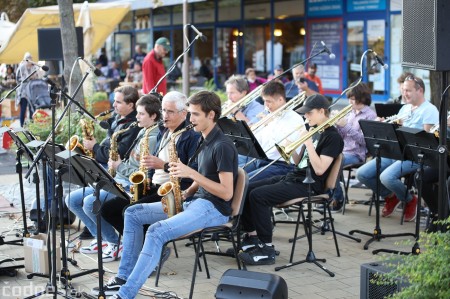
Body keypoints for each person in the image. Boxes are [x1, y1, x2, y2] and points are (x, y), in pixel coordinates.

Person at [95, 91, 238, 298]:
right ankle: (123, 276)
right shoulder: (204, 139)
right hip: (196, 201)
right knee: (132, 213)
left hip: (214, 208)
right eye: (190, 114)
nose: (191, 119)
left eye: (196, 114)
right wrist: (188, 191)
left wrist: (191, 173)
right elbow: (206, 176)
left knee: (156, 231)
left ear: (212, 115)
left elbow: (226, 193)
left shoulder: (222, 146)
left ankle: (125, 294)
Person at [238, 94, 344, 265]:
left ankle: (267, 248)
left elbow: (320, 169)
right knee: (247, 187)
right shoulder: (313, 130)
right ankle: (252, 238)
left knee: (259, 195)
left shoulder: (332, 137)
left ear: (322, 111)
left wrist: (308, 143)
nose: (305, 117)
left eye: (309, 113)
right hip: (296, 175)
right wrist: (291, 149)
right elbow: (299, 162)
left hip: (311, 184)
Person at [65, 94, 160, 262]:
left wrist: (119, 166)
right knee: (71, 199)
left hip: (129, 184)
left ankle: (114, 243)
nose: (137, 117)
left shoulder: (152, 137)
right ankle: (101, 239)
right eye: (137, 113)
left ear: (153, 116)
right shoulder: (143, 131)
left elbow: (142, 171)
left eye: (141, 114)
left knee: (89, 203)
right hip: (119, 178)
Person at [101, 91, 201, 235]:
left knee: (129, 212)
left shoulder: (192, 137)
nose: (165, 116)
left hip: (175, 191)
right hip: (154, 186)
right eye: (164, 110)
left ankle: (145, 245)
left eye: (170, 112)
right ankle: (137, 242)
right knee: (108, 208)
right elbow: (153, 161)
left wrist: (164, 166)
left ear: (184, 113)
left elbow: (192, 173)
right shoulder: (163, 130)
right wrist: (147, 177)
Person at [356, 75, 439, 222]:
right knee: (362, 174)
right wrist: (385, 126)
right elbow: (396, 131)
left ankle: (409, 199)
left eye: (408, 90)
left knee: (386, 177)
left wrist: (402, 128)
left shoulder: (429, 110)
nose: (404, 94)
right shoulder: (405, 108)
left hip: (414, 155)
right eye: (403, 90)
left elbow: (427, 139)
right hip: (397, 151)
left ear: (419, 90)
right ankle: (390, 196)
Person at [239, 80, 305, 182]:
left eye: (269, 101)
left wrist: (273, 122)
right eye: (264, 101)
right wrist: (256, 129)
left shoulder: (294, 119)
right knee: (233, 175)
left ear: (280, 100)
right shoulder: (269, 116)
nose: (266, 106)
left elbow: (287, 149)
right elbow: (258, 144)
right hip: (262, 160)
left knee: (243, 182)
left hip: (281, 165)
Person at [330, 83, 377, 211]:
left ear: (361, 97)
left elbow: (364, 141)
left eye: (352, 98)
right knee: (325, 158)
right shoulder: (349, 112)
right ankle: (331, 191)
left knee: (333, 161)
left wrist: (345, 126)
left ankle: (337, 197)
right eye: (349, 98)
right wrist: (336, 125)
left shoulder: (370, 115)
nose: (349, 101)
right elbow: (341, 136)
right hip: (343, 150)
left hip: (357, 154)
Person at [16, 52, 39, 126]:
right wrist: (28, 78)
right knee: (23, 109)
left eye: (30, 58)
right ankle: (21, 125)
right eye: (28, 59)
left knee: (32, 109)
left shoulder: (34, 67)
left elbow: (37, 77)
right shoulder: (21, 67)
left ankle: (32, 125)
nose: (29, 60)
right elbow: (18, 79)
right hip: (23, 92)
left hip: (32, 92)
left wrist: (34, 77)